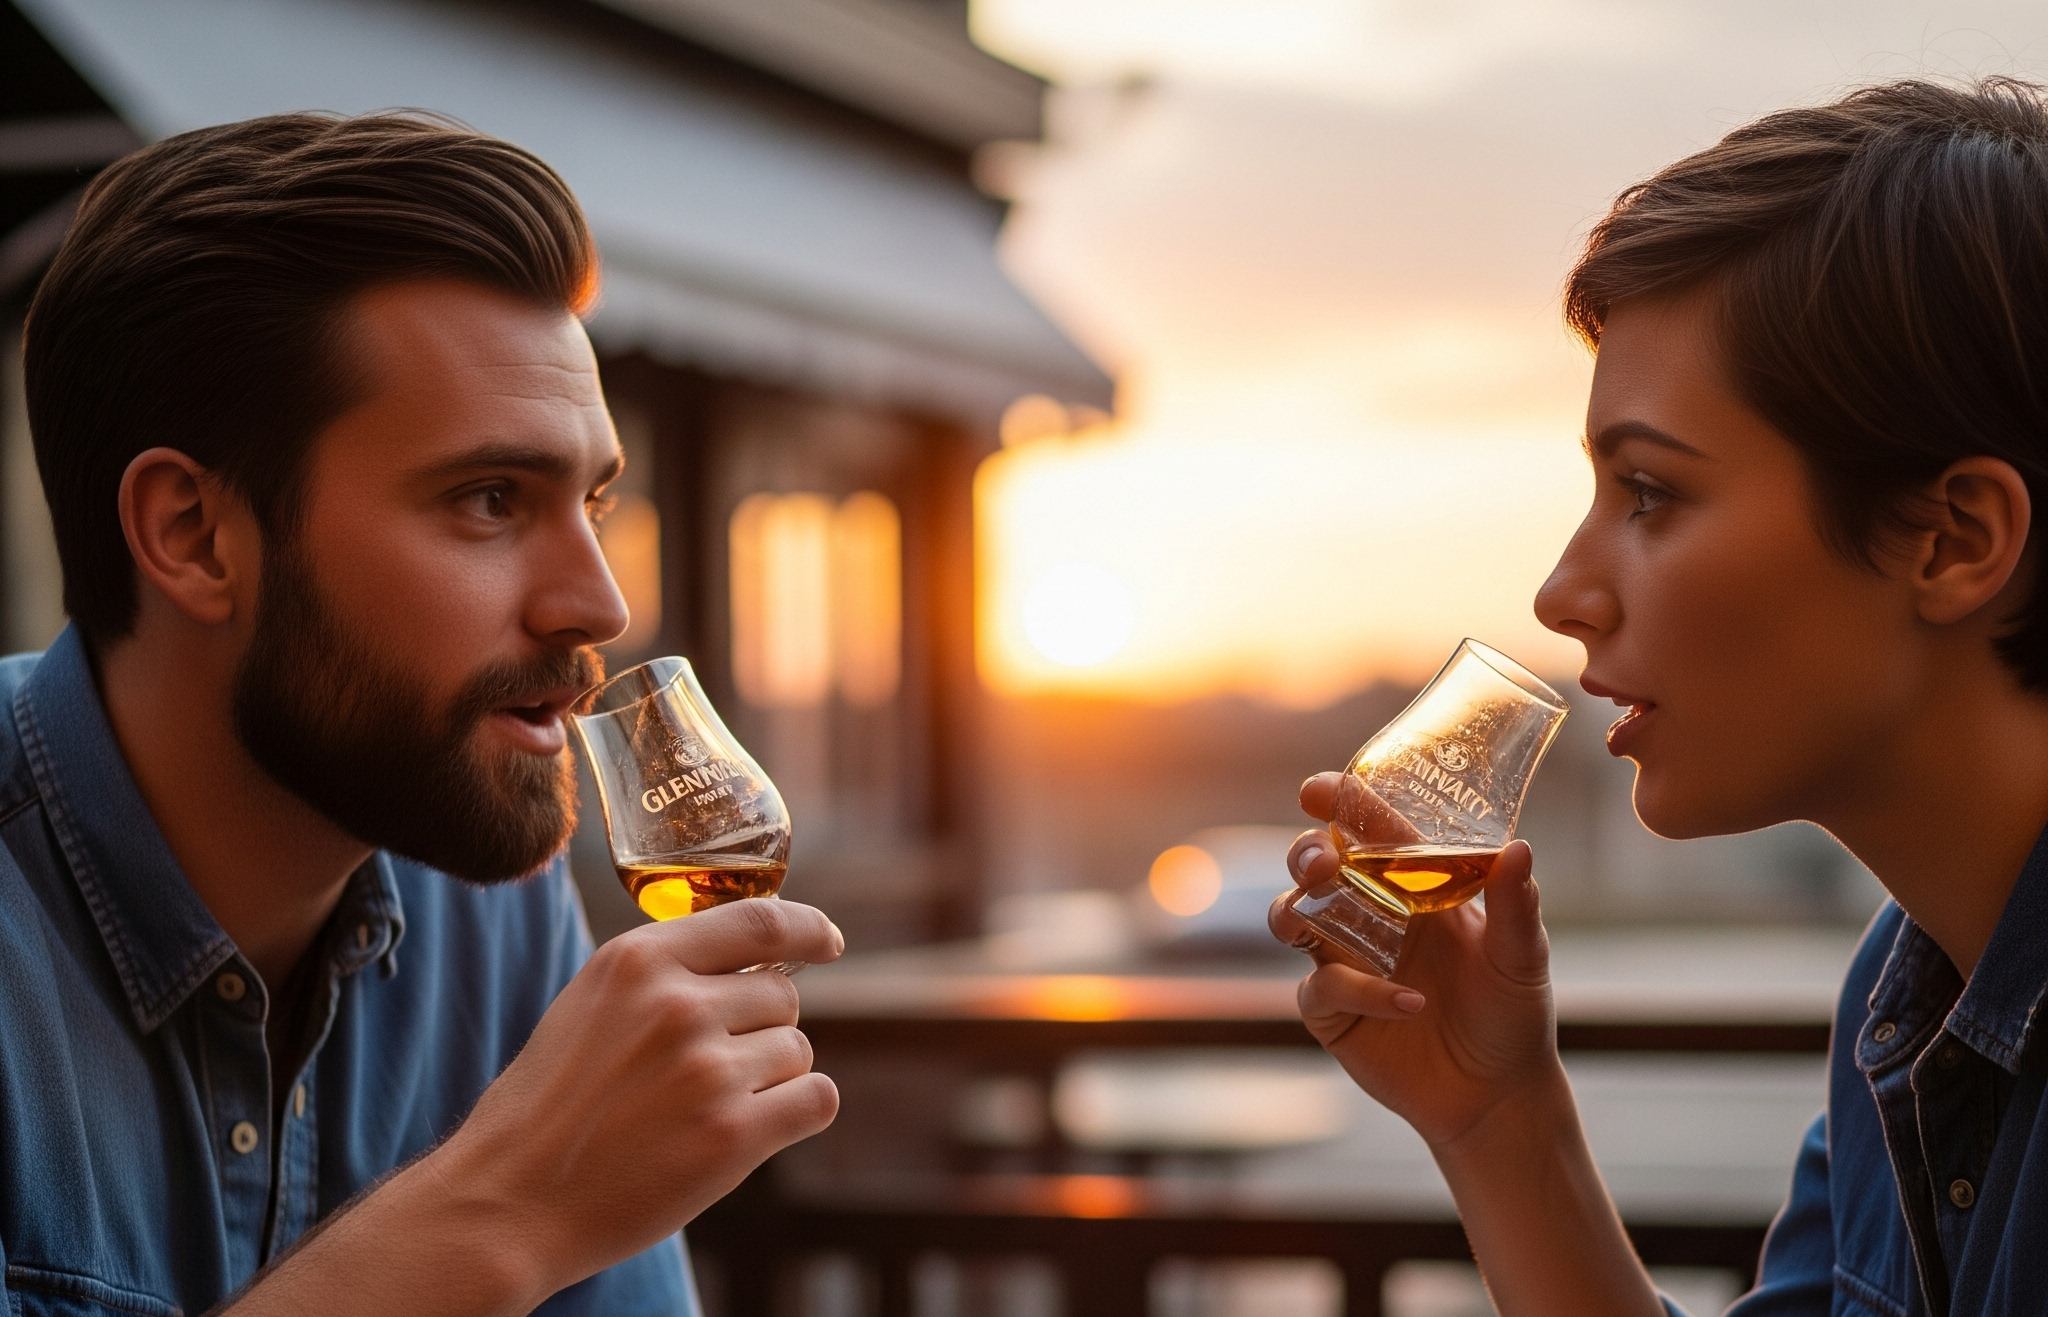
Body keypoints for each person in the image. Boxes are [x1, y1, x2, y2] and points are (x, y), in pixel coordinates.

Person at [0, 112, 843, 1316]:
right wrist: (501, 1214)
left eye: (593, 502)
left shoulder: (487, 897)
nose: (596, 604)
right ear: (192, 536)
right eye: (490, 499)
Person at [1270, 77, 2048, 1316]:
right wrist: (1497, 1120)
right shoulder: (1904, 990)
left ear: (1951, 539)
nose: (1560, 592)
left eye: (1649, 494)